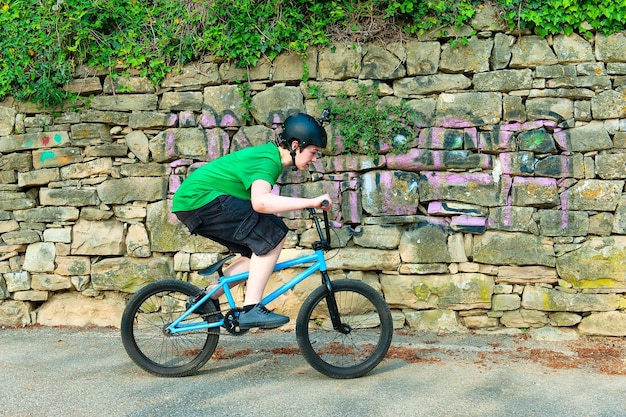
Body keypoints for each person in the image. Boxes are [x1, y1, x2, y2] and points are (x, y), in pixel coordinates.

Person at [172, 113, 331, 329]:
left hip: (195, 203)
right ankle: (251, 309)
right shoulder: (267, 160)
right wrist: (311, 202)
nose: (314, 159)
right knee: (273, 235)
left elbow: (260, 203)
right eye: (313, 152)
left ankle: (207, 298)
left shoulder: (268, 158)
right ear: (296, 145)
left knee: (257, 252)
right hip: (200, 201)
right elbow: (261, 203)